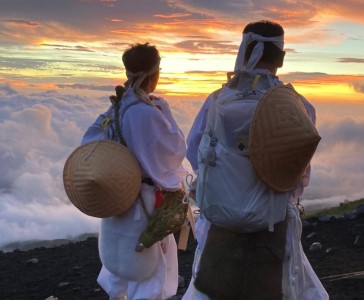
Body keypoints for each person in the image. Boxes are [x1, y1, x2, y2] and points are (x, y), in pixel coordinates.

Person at [183, 21, 329, 299]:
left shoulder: (217, 101)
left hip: (221, 220)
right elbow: (299, 172)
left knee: (212, 285)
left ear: (244, 49)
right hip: (273, 220)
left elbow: (194, 151)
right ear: (282, 58)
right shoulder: (298, 106)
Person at [87, 43, 187, 300]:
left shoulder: (117, 107)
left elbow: (91, 144)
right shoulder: (145, 112)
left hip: (118, 195)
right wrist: (166, 114)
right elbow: (173, 151)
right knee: (147, 269)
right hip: (143, 199)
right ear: (154, 73)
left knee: (122, 260)